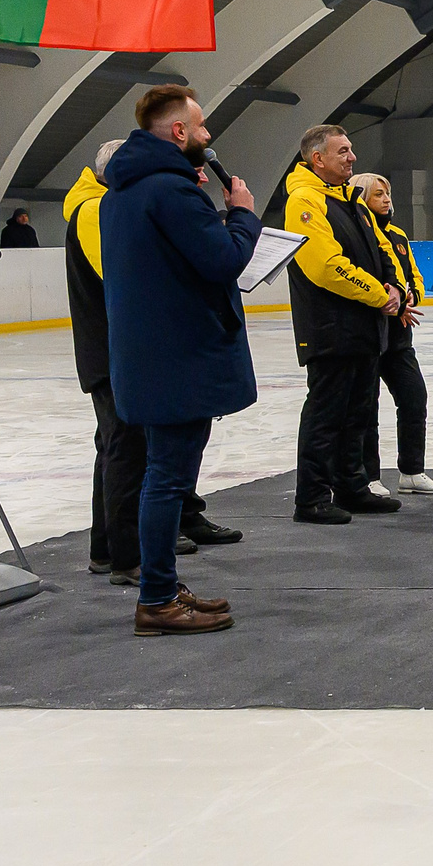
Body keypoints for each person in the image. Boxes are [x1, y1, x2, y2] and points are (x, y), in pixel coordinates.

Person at [99, 85, 260, 636]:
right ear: (178, 132)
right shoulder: (170, 191)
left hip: (150, 356)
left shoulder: (122, 192)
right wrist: (240, 216)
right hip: (179, 359)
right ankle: (157, 598)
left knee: (162, 476)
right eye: (202, 125)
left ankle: (163, 584)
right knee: (166, 479)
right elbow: (222, 262)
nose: (209, 136)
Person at [65, 136, 237, 590]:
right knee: (127, 449)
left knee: (123, 447)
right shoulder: (94, 209)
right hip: (112, 349)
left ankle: (113, 548)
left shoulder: (106, 204)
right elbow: (125, 270)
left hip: (121, 346)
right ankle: (126, 555)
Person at [286, 123, 404, 525]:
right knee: (326, 416)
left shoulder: (350, 199)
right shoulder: (305, 201)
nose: (352, 157)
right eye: (343, 151)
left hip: (365, 330)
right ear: (317, 158)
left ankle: (352, 486)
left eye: (351, 150)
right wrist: (378, 294)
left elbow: (383, 248)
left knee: (359, 413)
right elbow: (324, 266)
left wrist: (398, 288)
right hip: (331, 329)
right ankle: (313, 497)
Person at [353, 172, 433, 496]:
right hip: (368, 334)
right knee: (367, 408)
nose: (387, 200)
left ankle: (412, 471)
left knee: (414, 397)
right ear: (362, 199)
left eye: (388, 194)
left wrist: (408, 299)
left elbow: (415, 279)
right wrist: (388, 303)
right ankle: (368, 477)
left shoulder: (399, 237)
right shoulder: (357, 235)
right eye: (379, 195)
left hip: (400, 338)